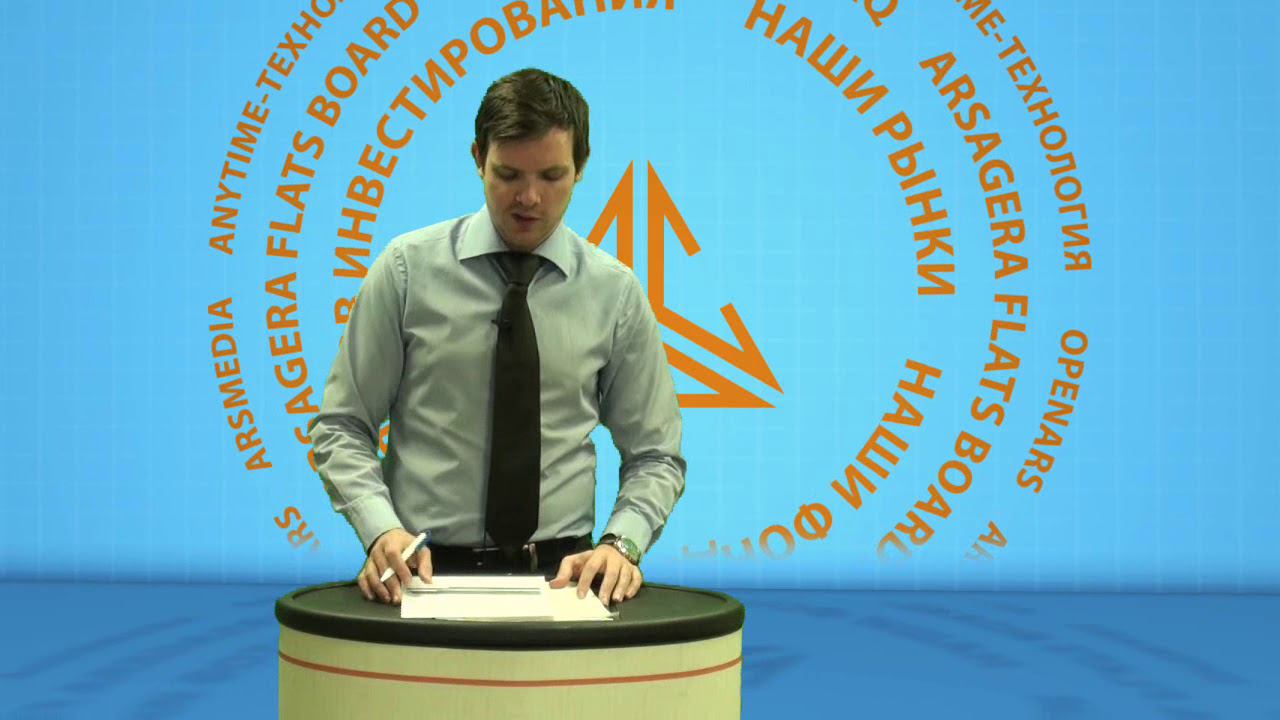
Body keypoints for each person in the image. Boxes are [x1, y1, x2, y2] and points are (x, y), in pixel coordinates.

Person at [308, 68, 686, 609]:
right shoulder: (406, 272)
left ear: (581, 168)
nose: (529, 197)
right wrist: (380, 531)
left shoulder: (614, 292)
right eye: (508, 174)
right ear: (478, 158)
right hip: (420, 577)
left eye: (552, 176)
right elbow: (343, 426)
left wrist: (621, 544)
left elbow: (656, 454)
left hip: (567, 582)